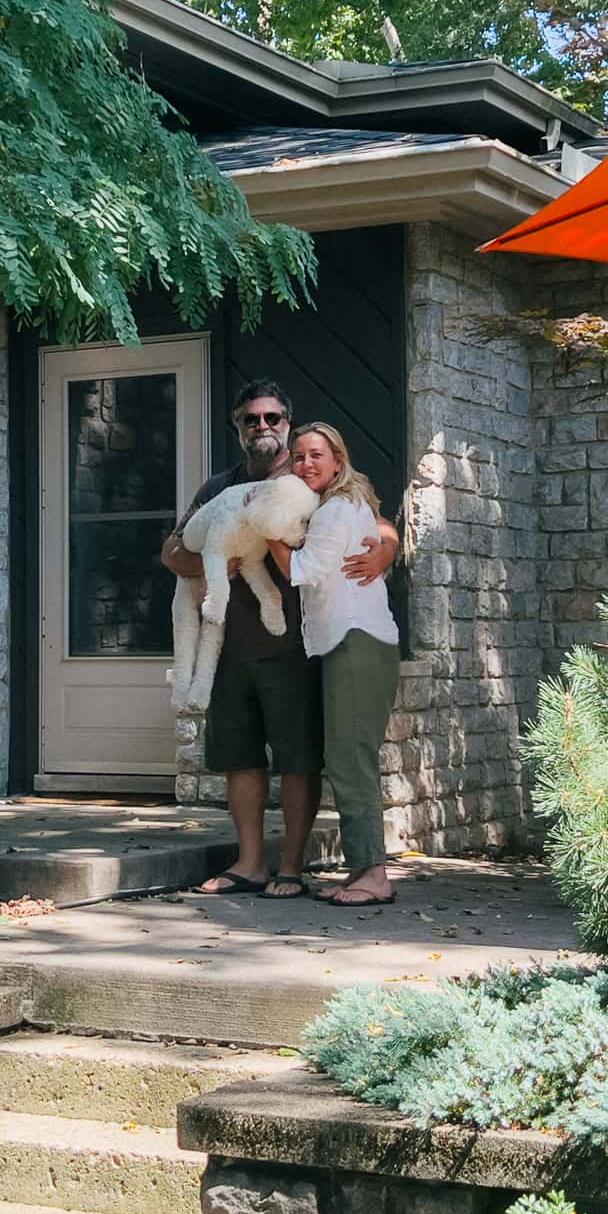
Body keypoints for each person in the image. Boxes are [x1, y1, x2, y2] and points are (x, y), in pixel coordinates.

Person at [161, 381, 396, 899]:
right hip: (229, 645)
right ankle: (250, 864)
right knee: (239, 757)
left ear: (287, 426)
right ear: (238, 429)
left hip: (295, 648)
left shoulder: (312, 481)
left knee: (298, 758)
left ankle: (290, 866)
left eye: (272, 419)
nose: (262, 427)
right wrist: (220, 557)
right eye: (251, 420)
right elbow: (173, 551)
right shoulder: (218, 487)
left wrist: (387, 549)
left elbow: (375, 520)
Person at [268, 423, 400, 906]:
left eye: (316, 455)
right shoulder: (335, 507)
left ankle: (375, 875)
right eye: (298, 456)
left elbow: (300, 571)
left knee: (350, 760)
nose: (306, 464)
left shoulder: (337, 510)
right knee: (346, 757)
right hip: (350, 643)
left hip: (355, 642)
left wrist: (268, 532)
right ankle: (362, 869)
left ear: (339, 462)